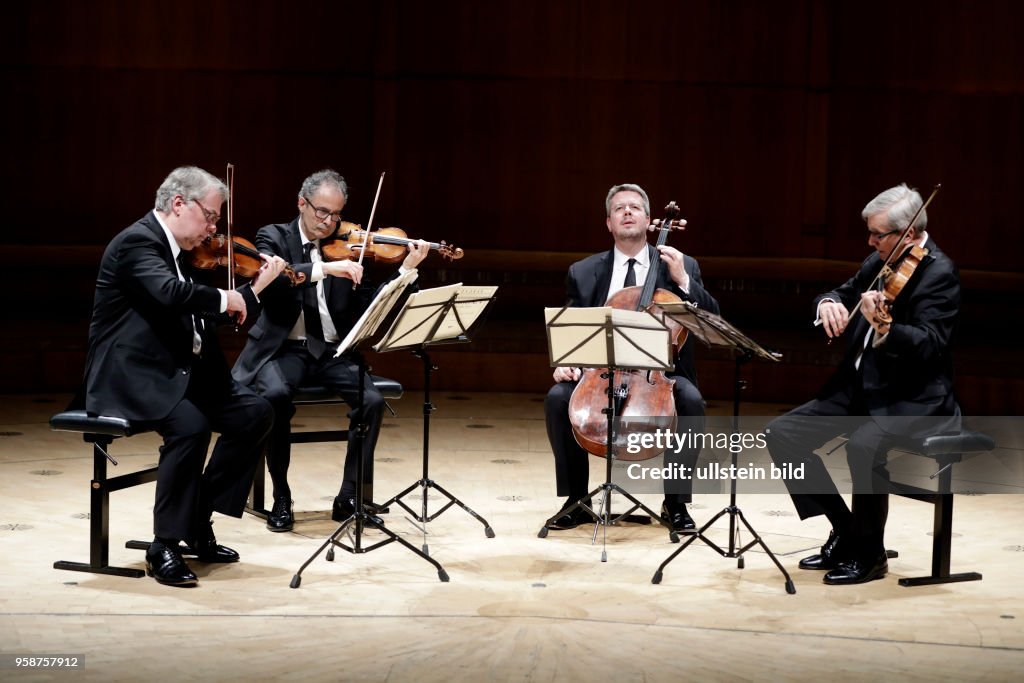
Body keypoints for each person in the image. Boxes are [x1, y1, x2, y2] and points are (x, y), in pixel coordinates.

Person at [81, 166, 288, 587]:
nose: (214, 228)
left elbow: (203, 309)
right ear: (179, 203)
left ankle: (195, 520)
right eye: (210, 216)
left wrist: (249, 292)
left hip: (182, 371)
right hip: (133, 375)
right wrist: (235, 295)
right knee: (190, 425)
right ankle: (165, 545)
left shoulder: (186, 253)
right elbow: (170, 295)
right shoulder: (137, 242)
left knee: (255, 413)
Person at [764, 183, 961, 585]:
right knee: (781, 433)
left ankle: (870, 556)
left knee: (864, 444)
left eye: (878, 234)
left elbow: (931, 343)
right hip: (859, 389)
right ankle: (847, 529)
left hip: (912, 399)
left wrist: (886, 326)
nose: (870, 241)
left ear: (906, 233)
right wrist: (828, 304)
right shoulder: (878, 262)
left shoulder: (940, 273)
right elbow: (842, 291)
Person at [232, 169, 428, 532]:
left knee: (370, 401)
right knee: (274, 396)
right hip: (284, 350)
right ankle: (281, 496)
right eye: (322, 212)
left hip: (332, 352)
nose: (329, 222)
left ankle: (349, 496)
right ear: (301, 203)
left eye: (336, 214)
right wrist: (327, 268)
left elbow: (370, 305)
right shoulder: (273, 236)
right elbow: (276, 280)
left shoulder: (350, 246)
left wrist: (403, 271)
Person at [543, 183, 720, 532]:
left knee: (691, 401)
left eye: (635, 207)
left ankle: (676, 503)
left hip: (660, 373)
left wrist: (684, 280)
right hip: (599, 373)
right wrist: (566, 359)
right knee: (556, 398)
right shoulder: (584, 271)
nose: (627, 212)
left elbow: (711, 319)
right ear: (609, 223)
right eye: (619, 208)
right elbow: (571, 326)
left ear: (650, 220)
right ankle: (576, 500)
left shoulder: (679, 266)